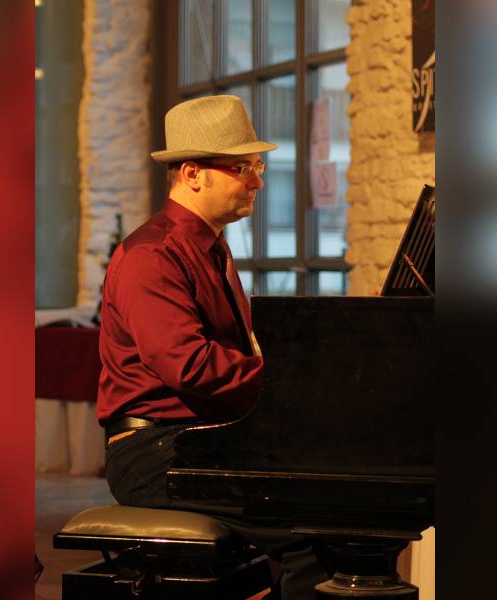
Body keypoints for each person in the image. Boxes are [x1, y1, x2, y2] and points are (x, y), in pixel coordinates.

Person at [97, 95, 330, 600]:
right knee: (316, 532)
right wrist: (284, 380)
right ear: (192, 174)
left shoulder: (208, 245)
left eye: (258, 167)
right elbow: (189, 365)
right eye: (243, 168)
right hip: (155, 453)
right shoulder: (152, 254)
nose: (258, 182)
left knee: (334, 508)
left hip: (199, 440)